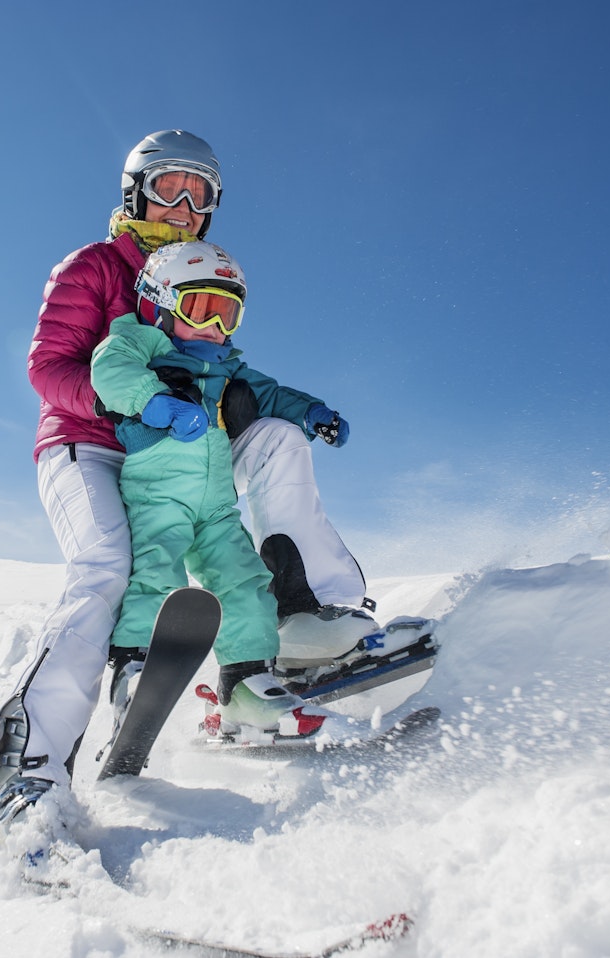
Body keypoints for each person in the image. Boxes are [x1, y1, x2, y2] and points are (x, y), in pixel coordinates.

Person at [0, 131, 392, 860]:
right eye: (170, 189)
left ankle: (304, 622)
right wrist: (141, 407)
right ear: (136, 192)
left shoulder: (208, 281)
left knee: (280, 437)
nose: (186, 207)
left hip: (193, 454)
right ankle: (22, 777)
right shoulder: (97, 268)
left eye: (202, 195)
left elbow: (250, 385)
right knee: (107, 567)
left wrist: (295, 407)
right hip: (89, 443)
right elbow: (49, 367)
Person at [93, 240, 352, 741]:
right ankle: (136, 669)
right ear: (159, 302)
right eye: (201, 308)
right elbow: (109, 370)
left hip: (215, 503)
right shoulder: (140, 340)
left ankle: (246, 685)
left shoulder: (229, 367)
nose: (214, 327)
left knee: (246, 582)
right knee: (156, 573)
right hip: (158, 491)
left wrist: (313, 411)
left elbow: (273, 394)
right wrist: (154, 400)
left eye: (226, 314)